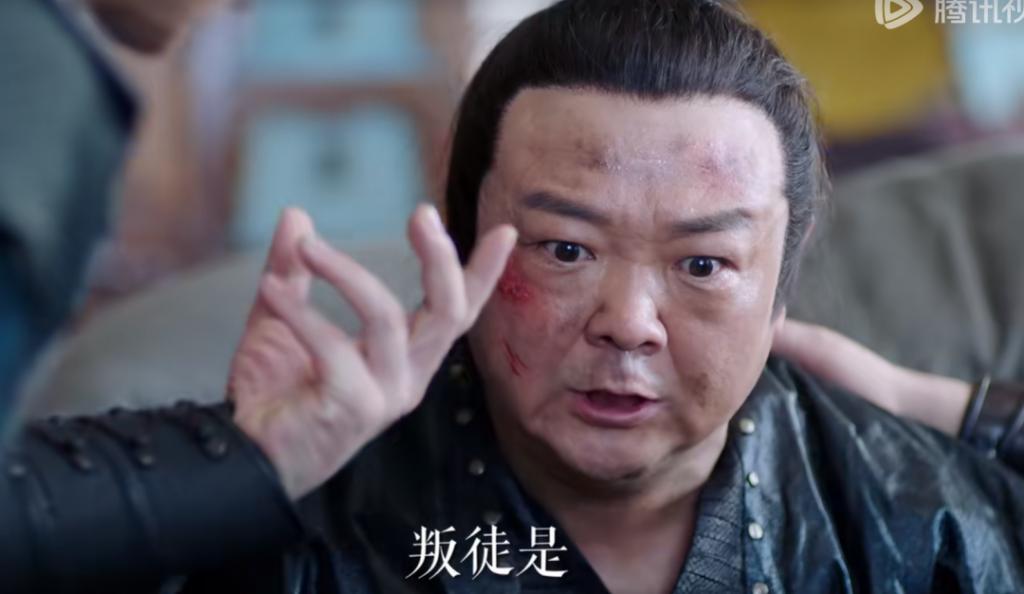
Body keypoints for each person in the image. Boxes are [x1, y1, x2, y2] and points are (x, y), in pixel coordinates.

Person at [5, 1, 1024, 593]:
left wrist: (955, 411)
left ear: (781, 285)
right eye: (565, 249)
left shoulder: (915, 514)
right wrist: (244, 464)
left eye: (704, 265)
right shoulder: (313, 511)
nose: (628, 323)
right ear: (459, 249)